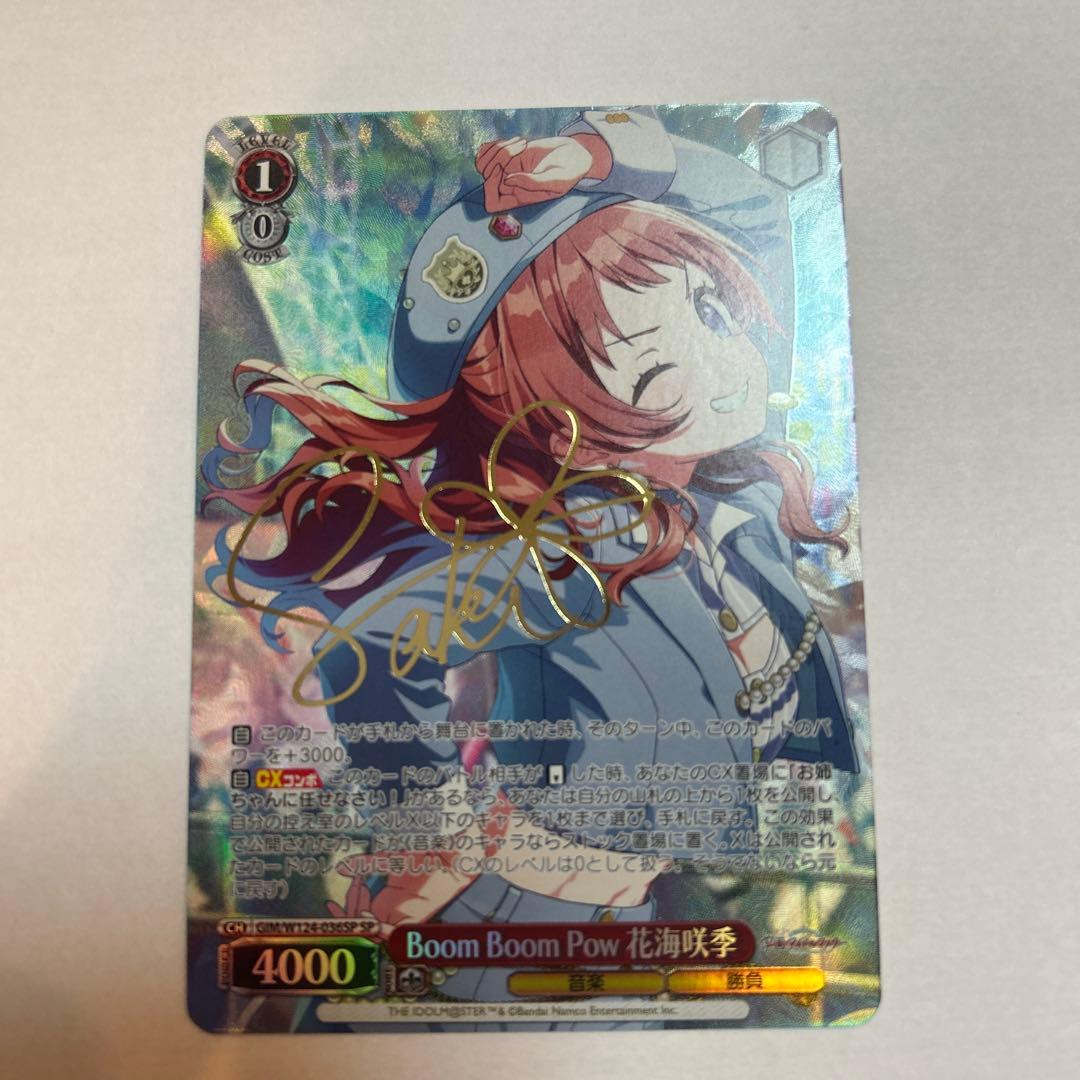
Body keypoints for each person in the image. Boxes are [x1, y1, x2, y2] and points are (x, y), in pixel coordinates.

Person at [204, 107, 858, 1022]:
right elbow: (370, 645)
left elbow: (751, 213)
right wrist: (428, 827)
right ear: (555, 422)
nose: (729, 364)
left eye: (715, 313)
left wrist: (599, 157)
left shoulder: (738, 490)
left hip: (641, 904)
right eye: (652, 369)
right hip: (528, 909)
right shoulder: (569, 551)